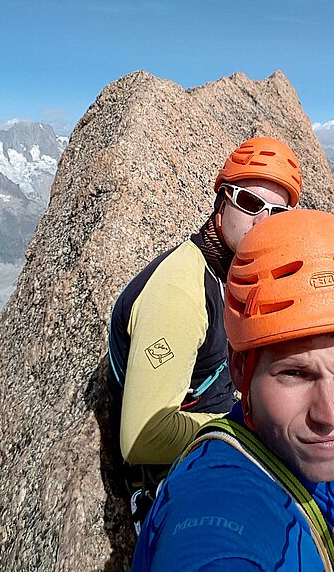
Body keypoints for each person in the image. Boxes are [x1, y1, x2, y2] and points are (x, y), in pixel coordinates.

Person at [132, 209, 334, 571]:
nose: (330, 415)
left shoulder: (290, 443)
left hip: (327, 524)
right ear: (240, 370)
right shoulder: (220, 519)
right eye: (295, 374)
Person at [107, 136, 302, 527]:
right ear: (222, 200)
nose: (263, 222)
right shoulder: (180, 294)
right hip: (177, 469)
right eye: (250, 203)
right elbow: (143, 436)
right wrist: (248, 429)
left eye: (278, 214)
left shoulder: (229, 272)